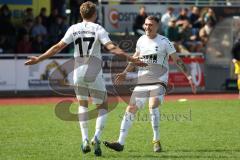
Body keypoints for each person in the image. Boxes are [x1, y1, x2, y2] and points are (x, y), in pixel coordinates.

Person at [24, 1, 147, 157]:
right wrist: (131, 58)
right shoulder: (98, 29)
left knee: (82, 104)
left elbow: (57, 47)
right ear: (94, 14)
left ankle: (84, 139)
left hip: (78, 71)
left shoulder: (73, 28)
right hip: (94, 70)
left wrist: (39, 59)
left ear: (81, 14)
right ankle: (96, 137)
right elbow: (112, 48)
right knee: (102, 105)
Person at [103, 16, 196, 152]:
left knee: (152, 105)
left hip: (159, 80)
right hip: (143, 81)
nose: (147, 27)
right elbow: (135, 58)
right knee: (131, 108)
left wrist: (188, 76)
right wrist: (125, 73)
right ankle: (120, 142)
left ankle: (156, 140)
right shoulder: (141, 40)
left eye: (151, 25)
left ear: (157, 26)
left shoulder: (165, 41)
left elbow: (177, 60)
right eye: (146, 24)